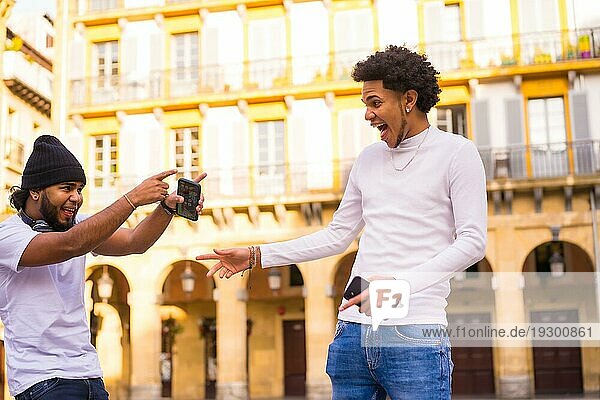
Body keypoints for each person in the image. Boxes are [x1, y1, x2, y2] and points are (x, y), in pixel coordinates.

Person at [197, 45, 487, 399]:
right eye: (366, 103)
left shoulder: (458, 153)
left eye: (375, 102)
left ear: (408, 99)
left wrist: (398, 285)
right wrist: (257, 255)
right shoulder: (367, 159)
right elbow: (337, 235)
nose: (367, 114)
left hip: (413, 334)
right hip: (353, 334)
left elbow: (472, 242)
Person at [0, 135, 205, 400]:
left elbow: (135, 241)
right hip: (42, 380)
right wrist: (131, 199)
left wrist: (166, 208)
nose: (76, 198)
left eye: (79, 190)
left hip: (88, 375)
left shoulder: (78, 226)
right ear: (36, 191)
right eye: (66, 188)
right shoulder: (8, 236)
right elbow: (68, 245)